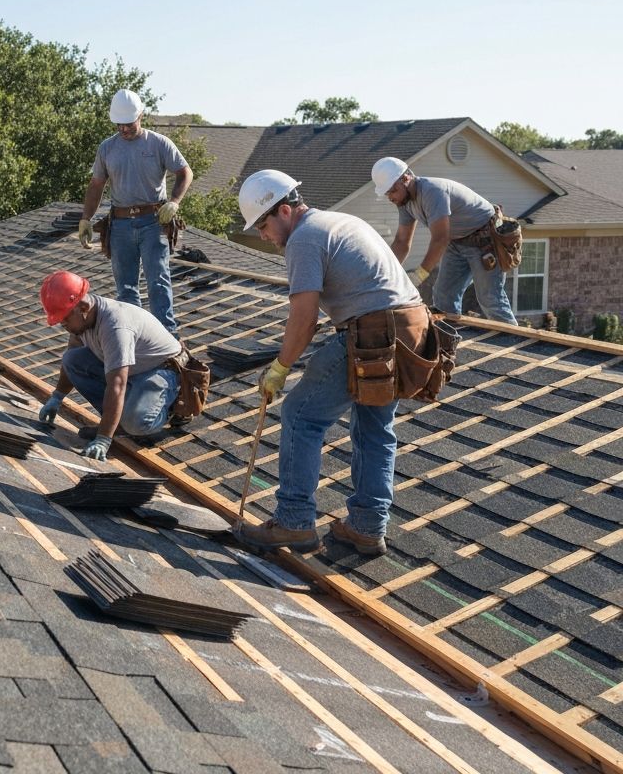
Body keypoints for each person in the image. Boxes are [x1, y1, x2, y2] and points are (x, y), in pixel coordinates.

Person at [232, 169, 429, 557]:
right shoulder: (339, 221)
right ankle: (367, 528)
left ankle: (293, 522)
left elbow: (304, 319)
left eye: (263, 224)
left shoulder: (304, 239)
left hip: (374, 332)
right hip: (412, 327)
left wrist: (280, 369)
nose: (262, 235)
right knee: (375, 428)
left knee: (301, 414)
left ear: (284, 210)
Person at [77, 89, 193, 335]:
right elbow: (96, 185)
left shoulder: (158, 143)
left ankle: (167, 337)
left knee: (158, 282)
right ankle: (135, 336)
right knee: (126, 288)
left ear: (141, 115)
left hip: (153, 222)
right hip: (120, 225)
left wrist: (174, 201)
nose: (124, 130)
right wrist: (86, 219)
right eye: (119, 125)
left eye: (128, 124)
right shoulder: (107, 148)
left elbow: (185, 172)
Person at [37, 270, 183, 462]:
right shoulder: (81, 322)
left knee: (137, 423)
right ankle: (117, 422)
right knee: (72, 360)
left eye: (64, 318)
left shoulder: (115, 327)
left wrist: (103, 440)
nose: (62, 323)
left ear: (82, 306)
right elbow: (70, 359)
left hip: (160, 371)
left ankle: (170, 410)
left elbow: (117, 385)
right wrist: (56, 398)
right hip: (132, 369)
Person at [371, 157, 517, 325]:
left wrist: (419, 275)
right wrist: (386, 274)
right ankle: (449, 342)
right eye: (387, 193)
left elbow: (440, 239)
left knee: (490, 298)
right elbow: (401, 242)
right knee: (444, 297)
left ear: (405, 178)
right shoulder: (405, 202)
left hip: (484, 240)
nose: (390, 197)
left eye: (393, 190)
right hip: (456, 242)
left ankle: (515, 342)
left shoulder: (432, 191)